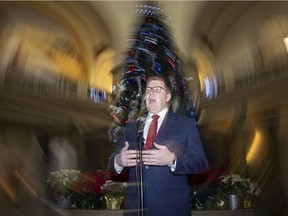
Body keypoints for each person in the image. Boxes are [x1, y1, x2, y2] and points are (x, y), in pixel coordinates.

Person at [109, 75, 209, 216]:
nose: (151, 93)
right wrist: (118, 160)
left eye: (157, 89)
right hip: (136, 210)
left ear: (168, 96)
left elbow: (201, 163)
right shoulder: (133, 125)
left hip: (171, 209)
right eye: (148, 90)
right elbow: (113, 160)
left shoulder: (185, 124)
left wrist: (173, 160)